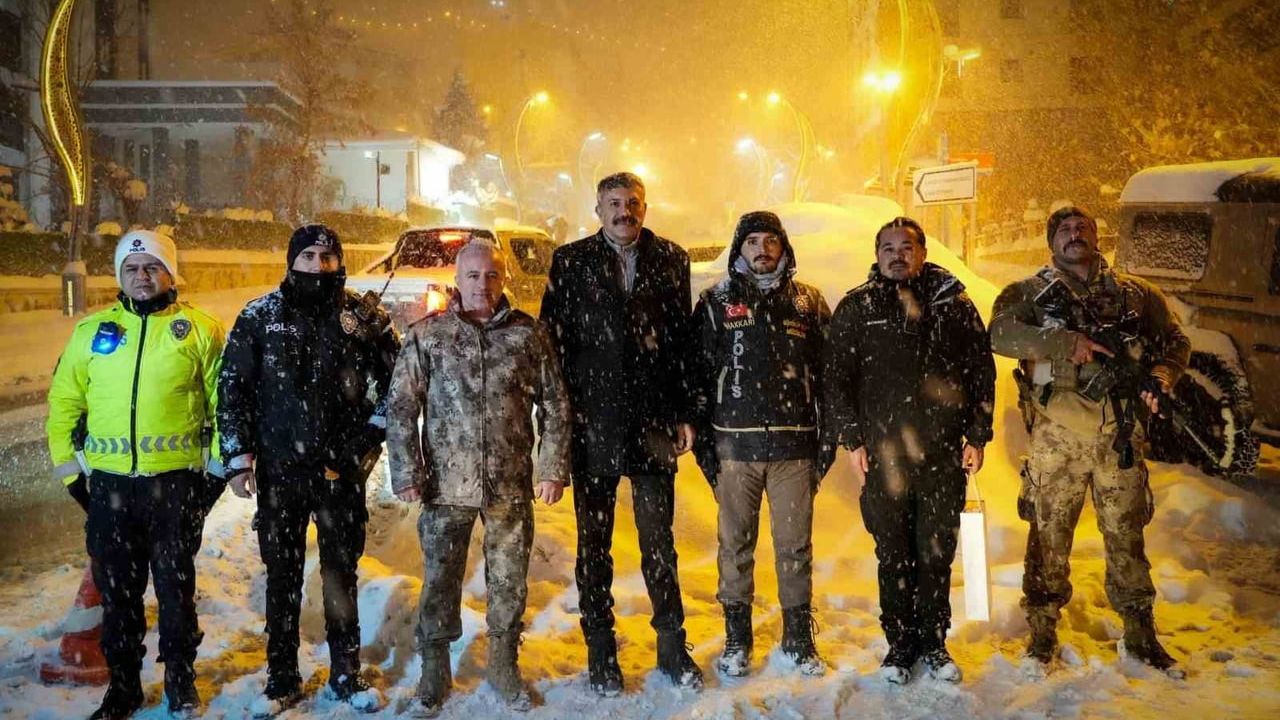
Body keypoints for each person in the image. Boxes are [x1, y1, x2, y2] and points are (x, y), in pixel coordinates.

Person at [990, 206, 1190, 675]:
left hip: (1118, 437)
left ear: (1098, 238)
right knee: (1048, 538)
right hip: (1056, 439)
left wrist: (1162, 374)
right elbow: (1000, 334)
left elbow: (1176, 340)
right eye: (1064, 229)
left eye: (1083, 228)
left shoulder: (1136, 295)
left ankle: (1140, 634)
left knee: (1126, 537)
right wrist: (1063, 342)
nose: (1075, 234)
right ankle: (1041, 636)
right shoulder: (1028, 292)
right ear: (1051, 241)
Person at [218, 224, 400, 716]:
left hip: (341, 472)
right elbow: (232, 388)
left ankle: (346, 671)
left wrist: (369, 436)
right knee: (282, 575)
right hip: (281, 471)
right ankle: (281, 676)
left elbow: (397, 383)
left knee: (341, 573)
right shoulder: (260, 316)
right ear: (291, 261)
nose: (318, 265)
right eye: (308, 256)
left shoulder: (363, 317)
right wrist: (238, 458)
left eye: (328, 256)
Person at [386, 240, 572, 717]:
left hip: (509, 483)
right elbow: (402, 408)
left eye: (491, 275)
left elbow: (555, 404)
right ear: (457, 279)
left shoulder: (528, 335)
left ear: (504, 278)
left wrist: (552, 467)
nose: (482, 285)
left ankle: (504, 664)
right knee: (441, 580)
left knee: (509, 581)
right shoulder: (429, 335)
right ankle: (434, 669)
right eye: (472, 276)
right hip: (446, 486)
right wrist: (407, 470)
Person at [47, 230, 225, 719]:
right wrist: (73, 478)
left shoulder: (200, 330)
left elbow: (225, 408)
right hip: (110, 490)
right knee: (119, 597)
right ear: (120, 276)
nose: (141, 276)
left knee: (175, 593)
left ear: (170, 273)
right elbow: (64, 404)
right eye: (131, 268)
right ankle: (123, 687)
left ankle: (180, 682)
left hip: (174, 488)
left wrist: (210, 478)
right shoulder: (91, 332)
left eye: (151, 267)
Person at [539, 172, 703, 694]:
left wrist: (684, 410)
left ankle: (673, 646)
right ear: (598, 208)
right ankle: (600, 650)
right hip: (594, 423)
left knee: (659, 543)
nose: (623, 211)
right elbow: (552, 347)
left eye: (632, 203)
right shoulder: (570, 261)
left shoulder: (671, 258)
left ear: (645, 207)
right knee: (594, 547)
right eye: (613, 203)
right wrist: (560, 424)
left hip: (652, 421)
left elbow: (681, 342)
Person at [824, 217, 995, 685]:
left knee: (935, 553)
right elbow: (837, 379)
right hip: (884, 458)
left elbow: (981, 371)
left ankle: (934, 644)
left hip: (942, 455)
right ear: (877, 255)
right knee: (894, 554)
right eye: (888, 248)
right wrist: (852, 439)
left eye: (907, 247)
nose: (897, 255)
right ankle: (899, 647)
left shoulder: (952, 304)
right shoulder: (858, 308)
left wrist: (977, 436)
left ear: (922, 252)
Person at [691, 211, 831, 677]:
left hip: (795, 450)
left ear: (784, 247)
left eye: (771, 240)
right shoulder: (715, 301)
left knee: (794, 547)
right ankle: (737, 638)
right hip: (734, 451)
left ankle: (797, 638)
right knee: (735, 546)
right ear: (739, 249)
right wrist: (706, 453)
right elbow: (697, 378)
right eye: (752, 241)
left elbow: (830, 377)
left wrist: (825, 446)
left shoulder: (808, 302)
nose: (762, 249)